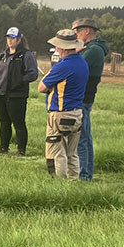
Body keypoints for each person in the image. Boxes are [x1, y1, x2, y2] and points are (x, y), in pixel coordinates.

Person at [37, 29, 88, 180]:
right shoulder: (83, 63)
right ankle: (74, 183)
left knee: (56, 153)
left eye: (58, 46)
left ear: (63, 48)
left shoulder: (62, 66)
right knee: (72, 153)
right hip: (77, 113)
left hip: (60, 114)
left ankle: (59, 185)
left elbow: (41, 87)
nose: (56, 49)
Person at [0, 27, 38, 155]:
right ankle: (3, 148)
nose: (10, 41)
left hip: (17, 96)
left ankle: (21, 150)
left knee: (19, 123)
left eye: (13, 38)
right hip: (0, 95)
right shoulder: (2, 55)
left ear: (19, 39)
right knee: (4, 123)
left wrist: (19, 81)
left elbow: (33, 74)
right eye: (8, 38)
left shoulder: (26, 55)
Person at [72, 17, 110, 181]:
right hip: (84, 96)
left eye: (76, 31)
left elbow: (76, 68)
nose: (75, 35)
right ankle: (86, 173)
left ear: (87, 30)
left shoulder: (93, 50)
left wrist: (73, 55)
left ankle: (84, 175)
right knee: (84, 137)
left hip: (83, 97)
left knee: (81, 139)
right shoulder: (91, 48)